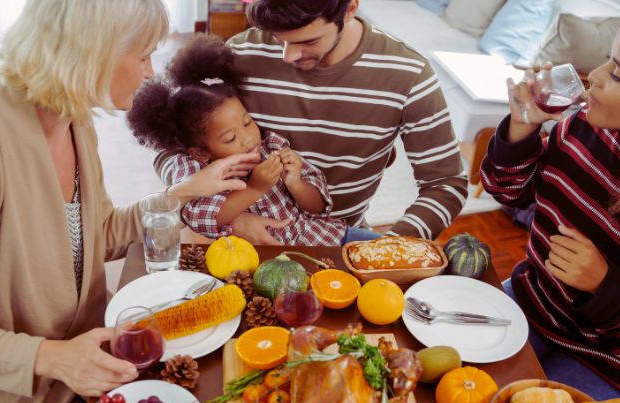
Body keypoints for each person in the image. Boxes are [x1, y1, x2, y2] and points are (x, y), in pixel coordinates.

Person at [0, 1, 259, 403]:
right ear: (93, 51)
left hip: (94, 359)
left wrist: (184, 192)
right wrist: (54, 358)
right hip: (7, 401)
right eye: (143, 55)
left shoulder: (74, 120)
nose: (151, 72)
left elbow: (98, 235)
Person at [481, 0, 620, 401]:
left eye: (617, 75)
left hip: (617, 362)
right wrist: (521, 130)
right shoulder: (582, 126)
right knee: (455, 396)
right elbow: (507, 192)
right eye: (607, 61)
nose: (595, 78)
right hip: (533, 303)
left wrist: (607, 287)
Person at [154, 0, 468, 245]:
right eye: (278, 39)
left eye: (308, 41)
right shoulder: (240, 53)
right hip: (243, 235)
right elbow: (173, 146)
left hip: (338, 234)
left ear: (349, 10)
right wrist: (235, 219)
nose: (288, 56)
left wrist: (390, 248)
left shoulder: (409, 75)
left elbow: (445, 184)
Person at [129, 34, 380, 246]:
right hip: (262, 257)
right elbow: (201, 217)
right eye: (230, 138)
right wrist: (254, 188)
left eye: (248, 122)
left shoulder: (272, 146)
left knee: (392, 250)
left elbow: (318, 207)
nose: (248, 137)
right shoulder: (193, 169)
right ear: (201, 153)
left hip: (322, 237)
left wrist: (296, 183)